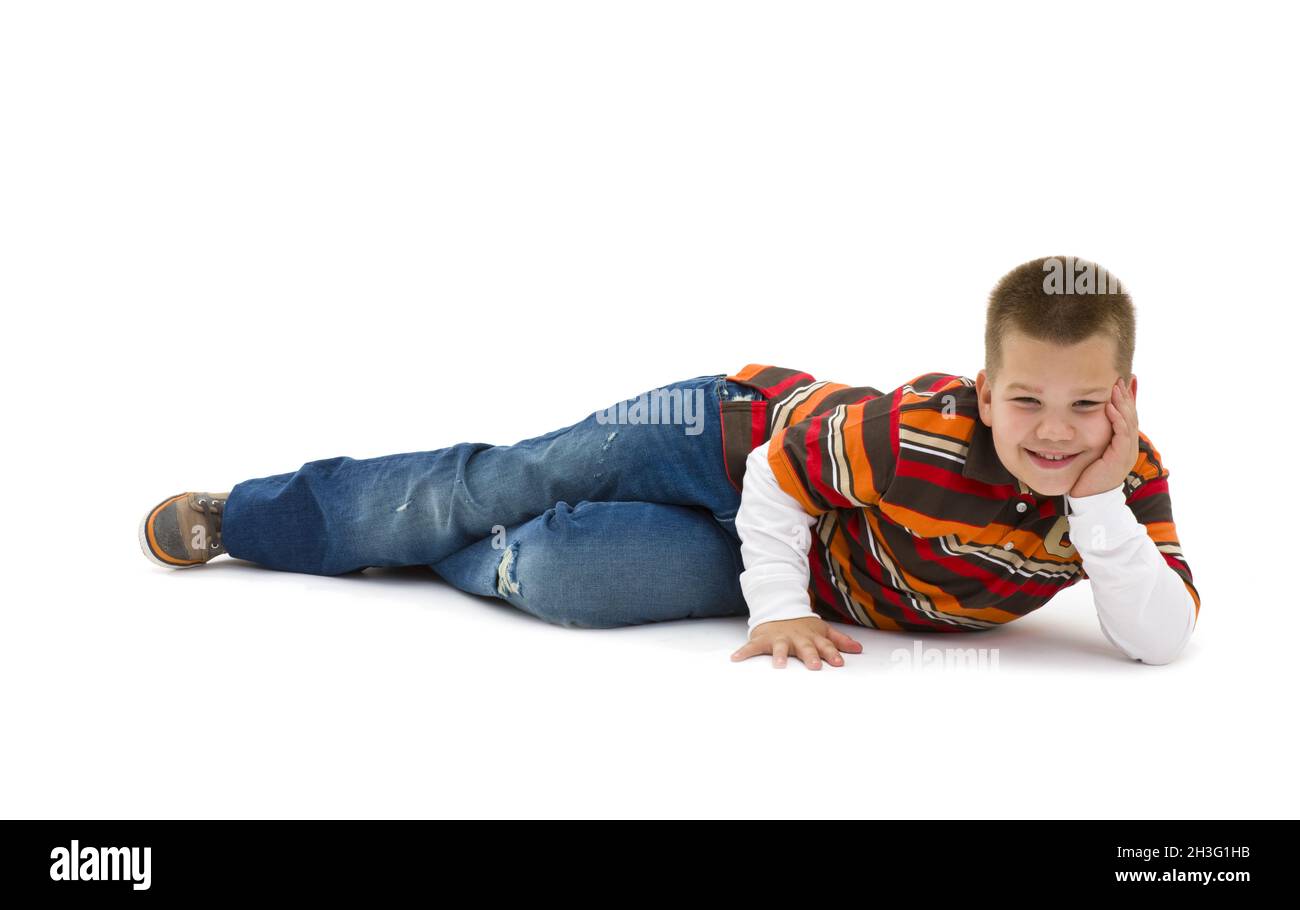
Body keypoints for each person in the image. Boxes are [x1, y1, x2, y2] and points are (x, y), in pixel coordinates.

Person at [140, 256, 1201, 669]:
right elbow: (787, 470)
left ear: (1126, 396)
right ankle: (262, 519)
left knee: (561, 576)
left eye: (1083, 404)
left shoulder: (1127, 479)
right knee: (508, 481)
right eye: (1025, 399)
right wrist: (776, 603)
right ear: (983, 392)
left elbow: (1159, 641)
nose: (1054, 431)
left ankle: (424, 557)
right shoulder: (918, 436)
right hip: (732, 433)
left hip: (821, 560)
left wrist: (1100, 506)